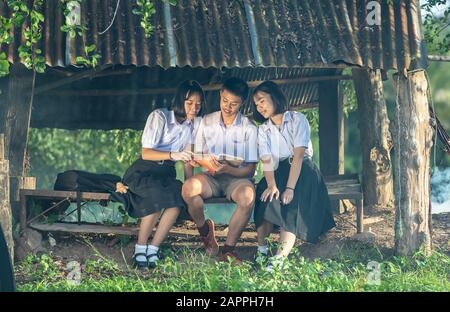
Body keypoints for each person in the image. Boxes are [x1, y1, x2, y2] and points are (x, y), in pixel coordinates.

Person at [112, 80, 205, 269]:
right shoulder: (160, 116)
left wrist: (189, 185)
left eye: (198, 103)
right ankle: (140, 247)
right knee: (156, 199)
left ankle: (153, 249)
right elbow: (146, 153)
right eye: (189, 103)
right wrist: (173, 154)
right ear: (179, 101)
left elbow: (187, 160)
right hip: (144, 170)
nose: (194, 108)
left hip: (166, 172)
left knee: (176, 201)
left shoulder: (193, 125)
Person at [251, 81, 335, 271]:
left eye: (262, 101)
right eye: (256, 104)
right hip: (277, 170)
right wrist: (272, 185)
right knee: (265, 196)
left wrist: (289, 188)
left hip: (303, 169)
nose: (259, 107)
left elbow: (298, 157)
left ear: (275, 97)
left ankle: (279, 260)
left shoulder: (298, 119)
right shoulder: (263, 129)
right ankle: (262, 251)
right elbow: (266, 160)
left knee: (292, 204)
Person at [182, 77, 258, 263]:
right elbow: (195, 155)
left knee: (247, 198)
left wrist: (228, 169)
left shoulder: (249, 128)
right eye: (225, 101)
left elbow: (249, 170)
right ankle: (206, 232)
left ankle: (228, 250)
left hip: (237, 178)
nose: (228, 107)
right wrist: (206, 162)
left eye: (234, 104)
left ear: (242, 103)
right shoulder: (206, 122)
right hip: (211, 176)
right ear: (220, 95)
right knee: (188, 188)